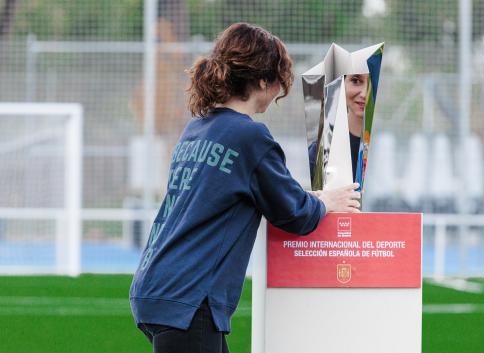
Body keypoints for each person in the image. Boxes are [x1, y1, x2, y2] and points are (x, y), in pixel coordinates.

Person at [129, 23, 361, 353]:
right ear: (263, 81)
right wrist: (326, 202)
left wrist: (312, 198)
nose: (281, 90)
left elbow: (250, 193)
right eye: (279, 80)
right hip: (191, 299)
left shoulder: (196, 129)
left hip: (157, 287)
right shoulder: (250, 137)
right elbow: (293, 213)